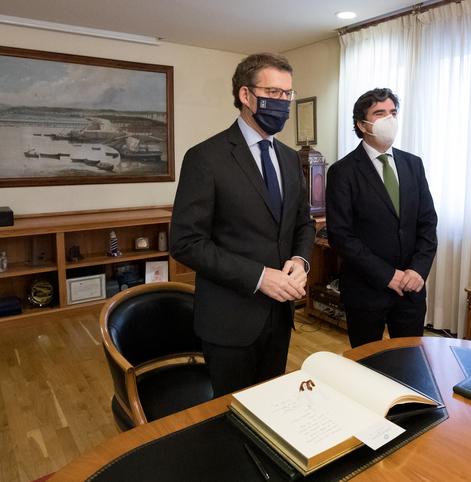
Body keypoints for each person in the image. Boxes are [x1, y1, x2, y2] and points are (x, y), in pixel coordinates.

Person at [170, 53, 315, 397]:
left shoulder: (290, 158)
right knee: (231, 416)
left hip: (280, 317)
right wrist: (260, 276)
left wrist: (300, 261)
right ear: (245, 96)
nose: (282, 102)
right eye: (273, 92)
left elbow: (303, 223)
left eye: (287, 94)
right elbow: (186, 242)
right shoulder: (205, 158)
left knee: (272, 406)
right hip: (229, 320)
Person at [326, 88, 437, 348]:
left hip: (411, 289)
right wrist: (388, 275)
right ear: (362, 125)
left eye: (393, 112)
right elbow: (341, 236)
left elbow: (427, 223)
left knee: (410, 360)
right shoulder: (342, 172)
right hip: (366, 290)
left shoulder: (413, 164)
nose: (389, 119)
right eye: (380, 113)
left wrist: (418, 270)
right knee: (367, 366)